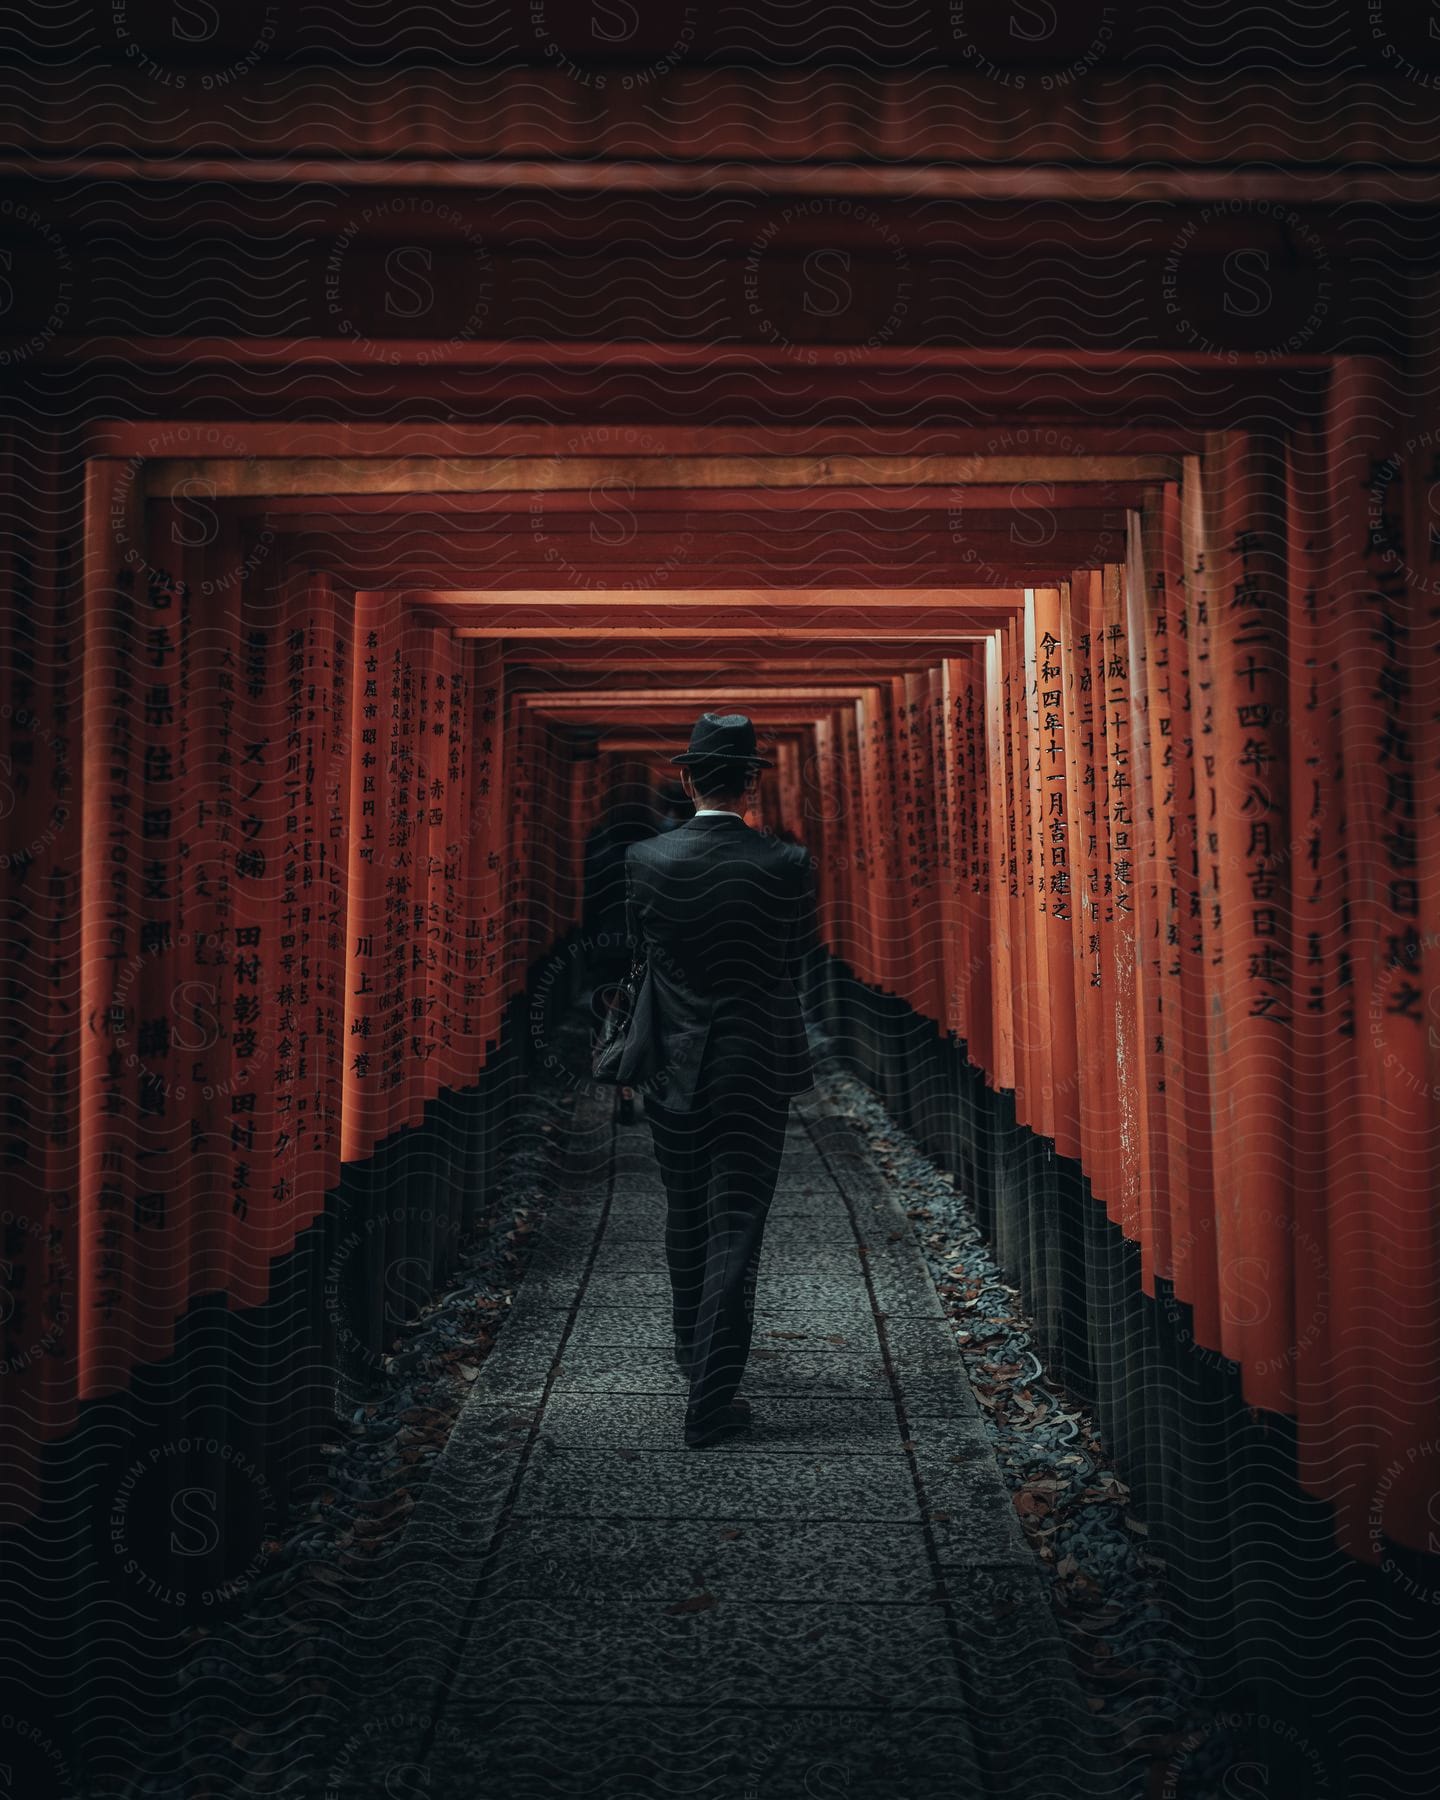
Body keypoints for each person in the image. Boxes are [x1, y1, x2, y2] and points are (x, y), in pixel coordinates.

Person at [622, 712, 817, 1447]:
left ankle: (688, 1348)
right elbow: (796, 952)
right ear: (751, 784)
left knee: (683, 1208)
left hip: (673, 1057)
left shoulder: (647, 858)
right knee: (738, 1217)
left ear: (687, 777)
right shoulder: (786, 863)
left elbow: (637, 953)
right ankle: (711, 1388)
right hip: (753, 1060)